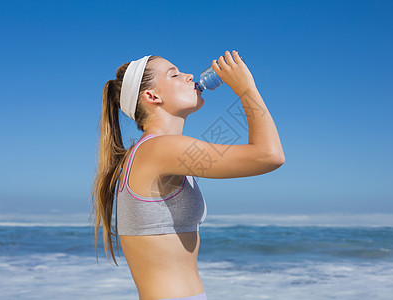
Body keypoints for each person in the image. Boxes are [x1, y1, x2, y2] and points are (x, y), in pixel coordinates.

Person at [91, 50, 285, 300]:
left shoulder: (149, 151)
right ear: (152, 96)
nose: (189, 76)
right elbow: (269, 156)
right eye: (175, 74)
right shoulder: (159, 149)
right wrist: (246, 89)